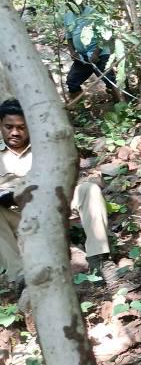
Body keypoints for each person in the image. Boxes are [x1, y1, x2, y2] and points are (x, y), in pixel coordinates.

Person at [0, 99, 119, 289]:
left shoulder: (45, 148)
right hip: (17, 219)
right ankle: (20, 276)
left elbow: (63, 180)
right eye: (9, 127)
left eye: (21, 127)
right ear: (1, 125)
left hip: (51, 208)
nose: (15, 132)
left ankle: (99, 259)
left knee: (89, 189)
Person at [63, 0, 121, 105]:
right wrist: (73, 52)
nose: (72, 4)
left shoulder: (93, 12)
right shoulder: (67, 17)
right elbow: (69, 37)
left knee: (110, 80)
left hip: (100, 53)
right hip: (82, 57)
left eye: (74, 0)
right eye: (69, 2)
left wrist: (96, 53)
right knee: (72, 82)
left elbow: (104, 34)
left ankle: (120, 104)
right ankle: (81, 107)